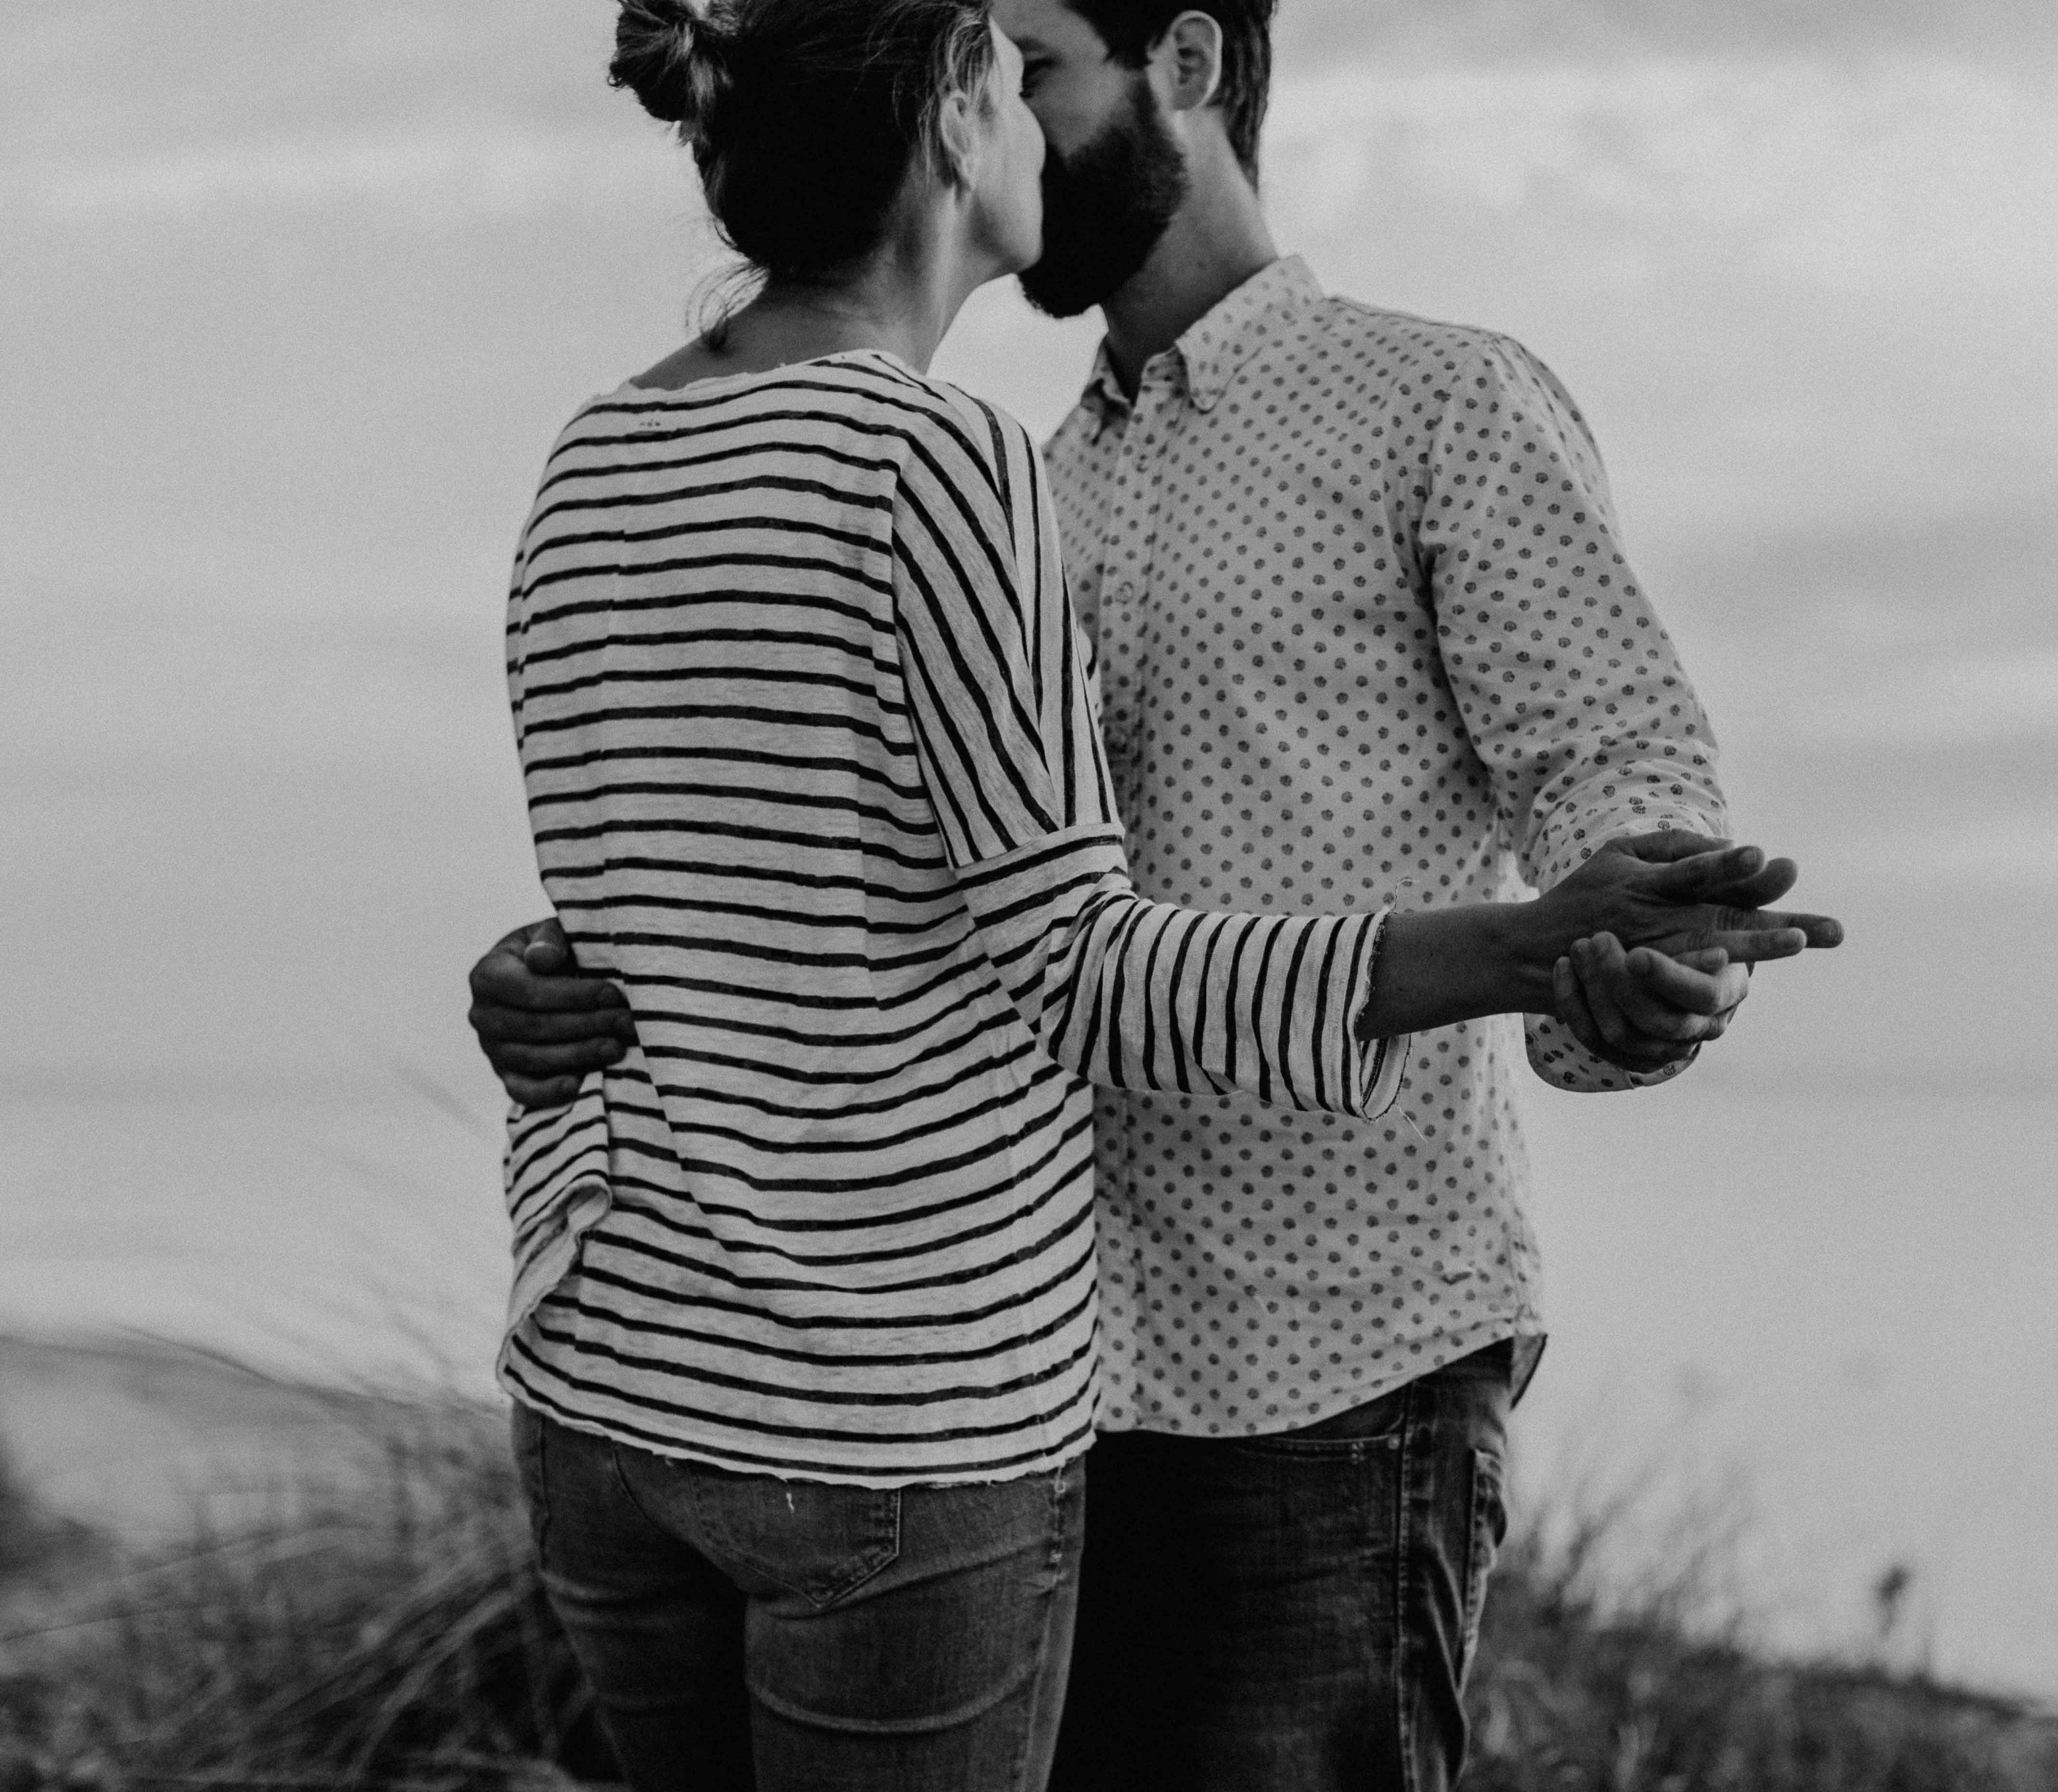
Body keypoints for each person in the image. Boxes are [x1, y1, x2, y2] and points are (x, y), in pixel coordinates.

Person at [473, 1, 1842, 1787]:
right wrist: (567, 970)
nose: (1007, 114)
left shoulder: (1440, 401)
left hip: (1315, 1372)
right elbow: (866, 887)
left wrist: (1631, 968)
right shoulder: (1006, 470)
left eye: (1030, 60)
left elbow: (1620, 788)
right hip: (998, 1377)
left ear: (1184, 64)